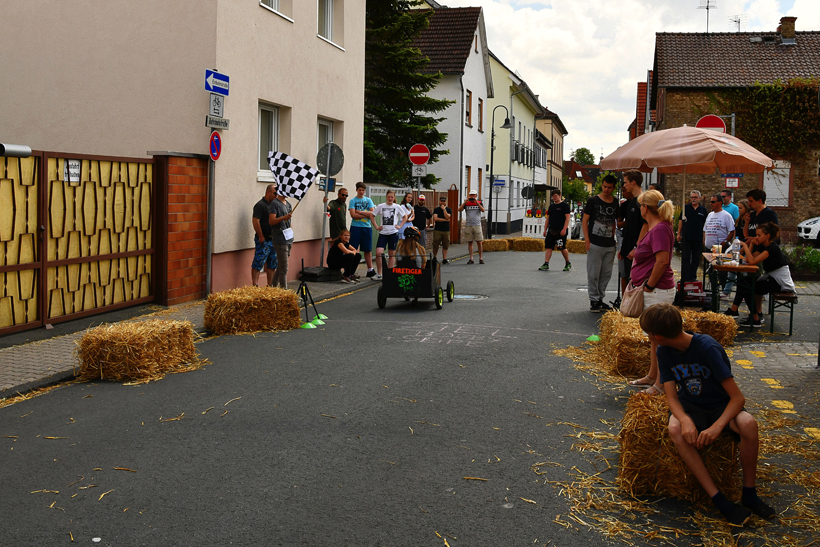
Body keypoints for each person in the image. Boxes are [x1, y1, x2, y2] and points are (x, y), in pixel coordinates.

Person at [640, 303, 777, 526]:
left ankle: (749, 494)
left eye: (649, 336)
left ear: (657, 336)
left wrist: (716, 427)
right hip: (691, 406)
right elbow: (672, 398)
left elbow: (737, 398)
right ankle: (719, 499)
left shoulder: (707, 348)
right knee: (674, 428)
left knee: (749, 423)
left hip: (720, 405)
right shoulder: (664, 351)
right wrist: (684, 419)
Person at [626, 190, 675, 395]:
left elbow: (662, 261)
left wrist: (649, 286)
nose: (639, 210)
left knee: (660, 339)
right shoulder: (657, 227)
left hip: (657, 290)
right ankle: (652, 376)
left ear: (645, 208)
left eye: (640, 206)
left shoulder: (660, 229)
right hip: (655, 289)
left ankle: (661, 384)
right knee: (654, 338)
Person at [724, 222, 795, 328]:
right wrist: (751, 244)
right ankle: (736, 310)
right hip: (771, 278)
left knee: (748, 287)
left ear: (767, 236)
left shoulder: (772, 248)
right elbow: (749, 259)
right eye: (756, 235)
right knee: (744, 281)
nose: (756, 237)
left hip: (780, 282)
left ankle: (755, 318)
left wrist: (745, 246)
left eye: (759, 235)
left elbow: (752, 261)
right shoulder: (764, 246)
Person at [582, 175, 618, 312]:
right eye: (605, 186)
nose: (607, 189)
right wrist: (587, 240)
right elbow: (585, 220)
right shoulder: (593, 201)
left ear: (613, 188)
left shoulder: (615, 202)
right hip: (595, 242)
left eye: (609, 187)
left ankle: (600, 299)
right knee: (593, 273)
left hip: (609, 243)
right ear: (601, 185)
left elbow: (614, 221)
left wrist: (613, 239)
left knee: (606, 274)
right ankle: (593, 300)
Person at [619, 171, 647, 293]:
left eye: (625, 182)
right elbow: (629, 227)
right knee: (628, 279)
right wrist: (623, 248)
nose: (624, 186)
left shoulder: (642, 202)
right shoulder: (631, 202)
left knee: (635, 282)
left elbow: (645, 226)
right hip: (627, 249)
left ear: (633, 182)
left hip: (635, 251)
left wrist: (636, 247)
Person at [703, 194, 736, 297]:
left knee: (721, 271)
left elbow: (732, 231)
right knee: (710, 270)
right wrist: (704, 240)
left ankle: (724, 291)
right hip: (709, 247)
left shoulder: (726, 215)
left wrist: (725, 242)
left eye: (713, 202)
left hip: (720, 247)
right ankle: (714, 290)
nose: (711, 204)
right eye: (710, 202)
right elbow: (705, 229)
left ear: (720, 203)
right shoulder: (710, 215)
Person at [372, 190, 408, 279]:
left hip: (393, 233)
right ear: (386, 197)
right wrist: (376, 226)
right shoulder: (381, 206)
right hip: (383, 233)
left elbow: (405, 216)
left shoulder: (397, 207)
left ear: (394, 198)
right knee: (378, 253)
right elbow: (372, 215)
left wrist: (400, 226)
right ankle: (379, 273)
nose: (390, 199)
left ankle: (389, 273)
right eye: (389, 197)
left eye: (392, 197)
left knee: (392, 254)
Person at [677, 190, 708, 283]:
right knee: (685, 258)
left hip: (697, 237)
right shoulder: (686, 208)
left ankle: (692, 276)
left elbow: (705, 225)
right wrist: (678, 233)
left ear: (699, 198)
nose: (693, 199)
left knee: (696, 258)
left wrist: (704, 237)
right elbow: (680, 221)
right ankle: (684, 277)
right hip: (687, 237)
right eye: (692, 197)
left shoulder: (703, 210)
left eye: (695, 197)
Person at [348, 182, 377, 278]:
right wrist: (366, 213)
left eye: (363, 190)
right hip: (356, 227)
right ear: (357, 190)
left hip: (366, 227)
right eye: (360, 190)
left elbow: (372, 213)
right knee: (353, 248)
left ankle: (370, 269)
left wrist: (359, 211)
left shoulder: (368, 200)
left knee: (367, 249)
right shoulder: (353, 201)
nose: (361, 192)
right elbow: (353, 215)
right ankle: (351, 270)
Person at [251, 184, 278, 287]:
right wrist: (261, 236)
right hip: (263, 239)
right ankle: (255, 285)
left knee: (272, 263)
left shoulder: (274, 205)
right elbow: (255, 221)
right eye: (275, 193)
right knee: (259, 261)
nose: (276, 196)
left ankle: (270, 285)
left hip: (273, 240)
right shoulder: (260, 205)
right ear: (268, 192)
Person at [539, 189, 572, 271]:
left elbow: (567, 218)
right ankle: (546, 263)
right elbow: (548, 219)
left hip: (561, 231)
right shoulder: (551, 207)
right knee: (549, 247)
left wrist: (564, 229)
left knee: (561, 247)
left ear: (559, 196)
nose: (554, 197)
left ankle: (568, 262)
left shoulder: (565, 206)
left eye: (556, 196)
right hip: (551, 230)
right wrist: (545, 229)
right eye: (553, 196)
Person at [268, 184, 294, 289]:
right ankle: (284, 291)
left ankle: (273, 287)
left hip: (288, 238)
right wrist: (283, 217)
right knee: (284, 268)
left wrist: (291, 230)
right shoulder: (275, 204)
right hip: (280, 239)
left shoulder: (288, 204)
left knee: (280, 266)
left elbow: (289, 221)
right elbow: (271, 221)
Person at [459, 190, 485, 264]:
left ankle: (480, 258)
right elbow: (459, 210)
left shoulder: (479, 202)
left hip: (477, 225)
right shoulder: (466, 203)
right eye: (471, 195)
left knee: (479, 242)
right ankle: (471, 258)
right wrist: (464, 202)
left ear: (476, 196)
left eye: (474, 195)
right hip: (468, 225)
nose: (472, 197)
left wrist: (477, 203)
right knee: (470, 242)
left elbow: (483, 210)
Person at [432, 196, 452, 264]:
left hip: (446, 230)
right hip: (438, 229)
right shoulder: (436, 209)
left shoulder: (449, 209)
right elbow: (435, 218)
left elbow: (447, 216)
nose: (443, 202)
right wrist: (445, 220)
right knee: (436, 243)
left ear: (446, 202)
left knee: (445, 244)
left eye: (444, 201)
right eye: (441, 201)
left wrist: (444, 210)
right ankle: (434, 257)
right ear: (439, 201)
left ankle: (444, 259)